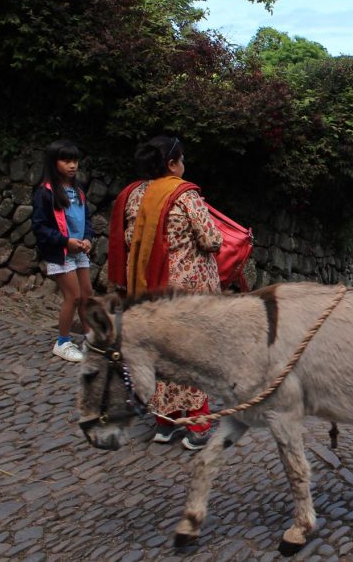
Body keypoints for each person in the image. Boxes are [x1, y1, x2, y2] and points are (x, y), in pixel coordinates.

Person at [108, 136, 222, 450]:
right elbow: (212, 240)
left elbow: (127, 240)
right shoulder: (184, 195)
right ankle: (197, 424)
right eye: (181, 159)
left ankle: (164, 422)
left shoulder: (133, 195)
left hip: (147, 290)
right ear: (172, 163)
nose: (184, 165)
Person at [32, 140, 95, 362]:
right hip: (61, 253)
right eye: (66, 160)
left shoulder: (78, 190)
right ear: (53, 162)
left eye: (75, 160)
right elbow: (40, 226)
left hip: (79, 251)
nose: (72, 165)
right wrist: (65, 241)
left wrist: (87, 238)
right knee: (74, 296)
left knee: (87, 295)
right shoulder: (45, 193)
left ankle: (90, 340)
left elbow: (87, 219)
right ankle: (62, 342)